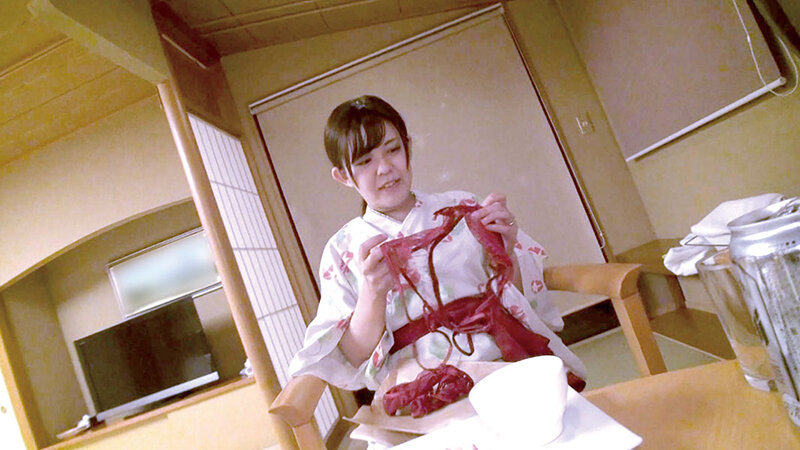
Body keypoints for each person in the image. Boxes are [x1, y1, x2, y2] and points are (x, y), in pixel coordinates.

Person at [288, 95, 586, 395]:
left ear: (408, 147)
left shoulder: (462, 206)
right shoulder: (342, 250)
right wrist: (373, 293)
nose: (385, 168)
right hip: (418, 384)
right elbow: (353, 356)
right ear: (342, 175)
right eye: (365, 161)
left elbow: (519, 294)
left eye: (393, 150)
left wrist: (507, 251)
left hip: (502, 358)